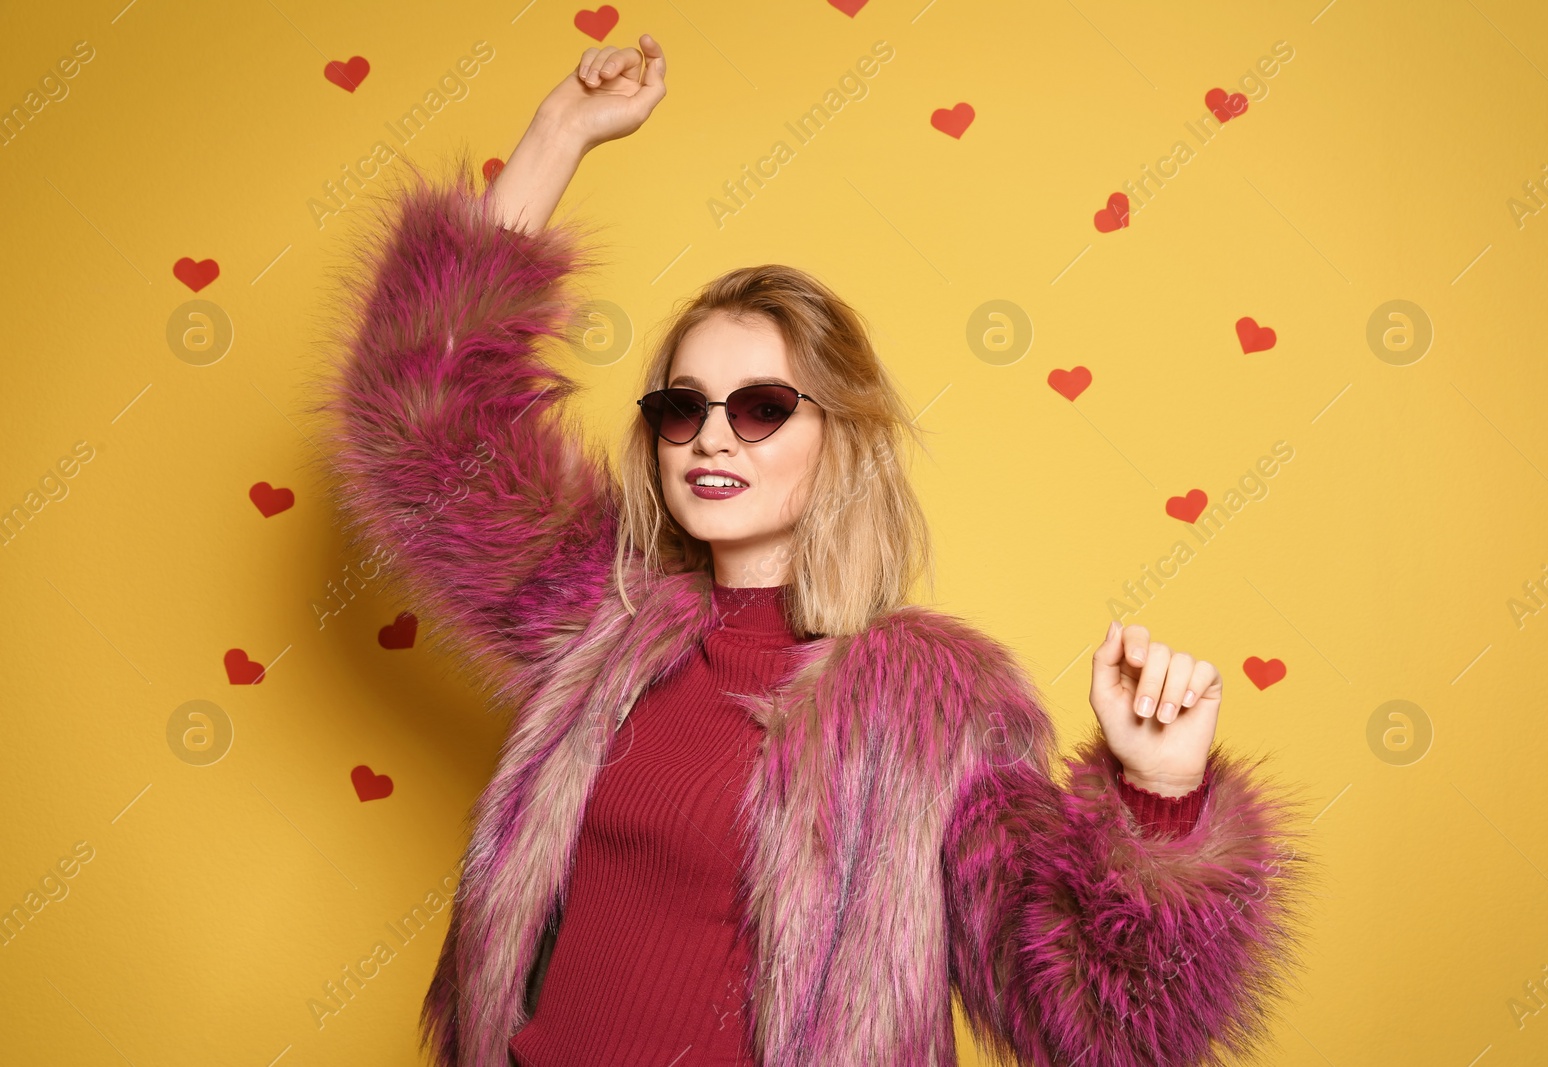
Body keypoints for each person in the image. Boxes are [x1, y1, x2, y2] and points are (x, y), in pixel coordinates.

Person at [311, 32, 1314, 1067]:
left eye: (760, 408)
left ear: (836, 435)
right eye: (680, 405)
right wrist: (559, 134)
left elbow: (1099, 1020)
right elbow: (424, 417)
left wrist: (1158, 803)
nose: (710, 434)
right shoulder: (600, 619)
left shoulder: (926, 704)